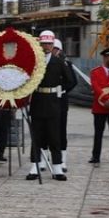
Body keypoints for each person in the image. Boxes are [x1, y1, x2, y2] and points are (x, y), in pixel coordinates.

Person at [26, 30, 70, 180]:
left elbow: (70, 80)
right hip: (37, 100)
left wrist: (60, 90)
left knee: (54, 136)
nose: (46, 46)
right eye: (44, 44)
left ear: (53, 45)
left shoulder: (59, 61)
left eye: (49, 44)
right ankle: (35, 166)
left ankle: (57, 168)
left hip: (53, 102)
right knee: (36, 136)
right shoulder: (33, 61)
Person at [52, 38, 77, 171]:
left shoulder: (65, 63)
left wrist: (63, 89)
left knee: (61, 130)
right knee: (48, 130)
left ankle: (62, 160)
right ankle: (45, 158)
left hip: (61, 101)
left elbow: (73, 81)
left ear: (60, 50)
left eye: (56, 49)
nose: (53, 51)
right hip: (48, 100)